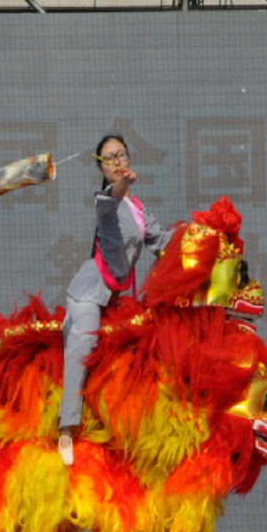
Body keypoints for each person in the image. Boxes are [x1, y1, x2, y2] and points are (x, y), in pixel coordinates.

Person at [57, 135, 173, 465]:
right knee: (85, 340)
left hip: (118, 299)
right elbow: (114, 196)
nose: (117, 160)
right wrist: (122, 184)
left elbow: (163, 242)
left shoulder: (138, 209)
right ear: (101, 168)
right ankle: (66, 429)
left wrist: (200, 235)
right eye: (109, 158)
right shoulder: (106, 202)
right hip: (90, 292)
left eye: (121, 154)